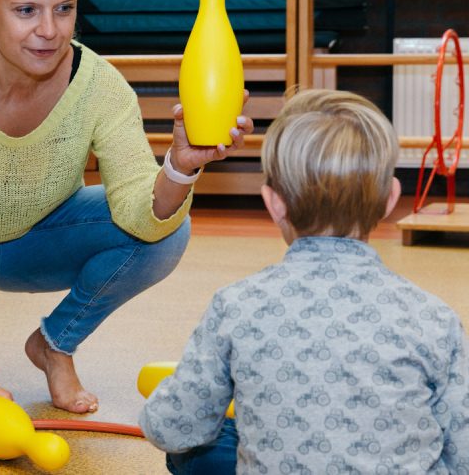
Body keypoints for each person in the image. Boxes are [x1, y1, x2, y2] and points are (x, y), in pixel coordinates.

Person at [0, 0, 254, 445]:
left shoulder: (100, 85)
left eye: (64, 9)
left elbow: (139, 211)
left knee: (168, 234)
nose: (48, 30)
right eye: (26, 10)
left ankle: (53, 344)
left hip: (40, 242)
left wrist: (180, 165)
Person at [140, 89, 469, 474]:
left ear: (273, 202)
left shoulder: (237, 305)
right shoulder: (433, 318)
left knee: (195, 449)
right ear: (389, 200)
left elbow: (173, 429)